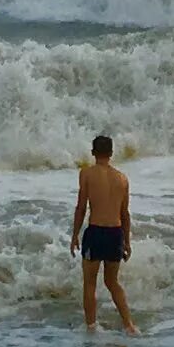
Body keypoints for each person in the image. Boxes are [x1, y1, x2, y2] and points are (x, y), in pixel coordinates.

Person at [69, 135, 138, 335]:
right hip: (115, 233)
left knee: (90, 283)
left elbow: (81, 207)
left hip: (96, 232)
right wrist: (127, 241)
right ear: (111, 153)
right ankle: (129, 325)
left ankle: (91, 326)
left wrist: (75, 235)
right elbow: (125, 214)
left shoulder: (87, 174)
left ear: (92, 152)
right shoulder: (122, 179)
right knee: (112, 282)